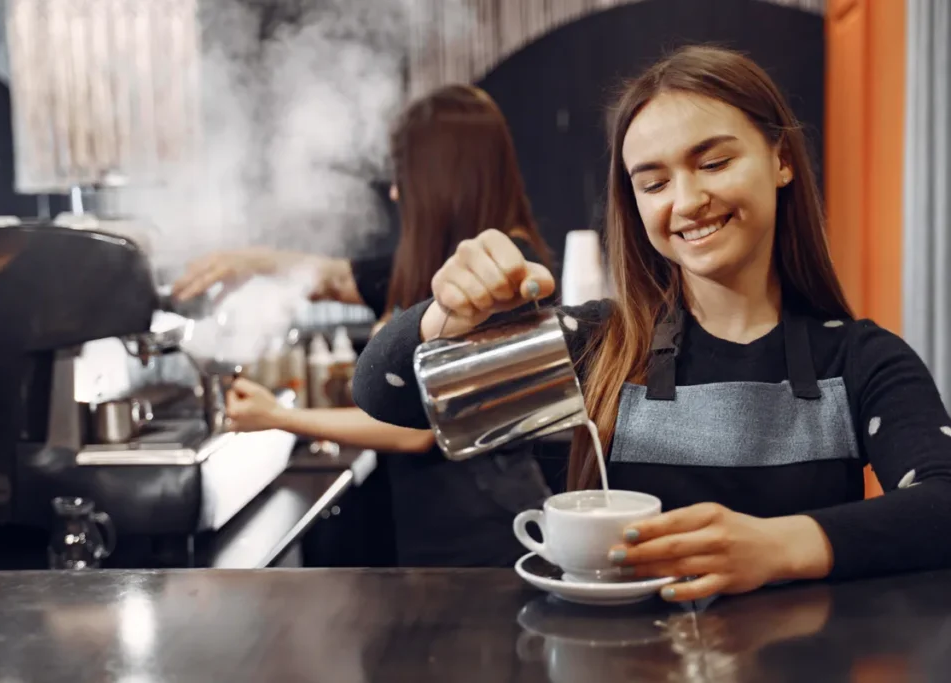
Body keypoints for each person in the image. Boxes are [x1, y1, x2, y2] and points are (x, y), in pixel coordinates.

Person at [351, 45, 951, 601]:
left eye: (713, 162)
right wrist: (442, 316)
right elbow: (385, 395)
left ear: (781, 161)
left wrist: (777, 547)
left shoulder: (859, 360)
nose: (686, 201)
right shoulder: (600, 347)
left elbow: (940, 503)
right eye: (655, 183)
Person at [173, 84, 556, 567]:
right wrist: (245, 261)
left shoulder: (498, 272)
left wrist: (279, 418)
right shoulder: (441, 267)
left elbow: (419, 427)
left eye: (403, 176)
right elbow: (332, 278)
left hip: (485, 536)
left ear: (442, 177)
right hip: (441, 531)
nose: (395, 192)